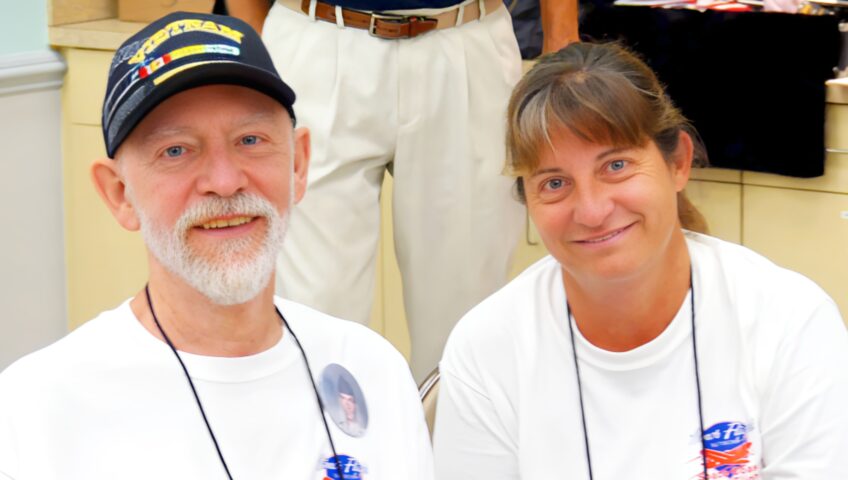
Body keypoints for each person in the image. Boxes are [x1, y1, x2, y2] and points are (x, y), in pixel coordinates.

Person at [0, 12, 432, 480]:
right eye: (176, 151)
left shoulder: (371, 369)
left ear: (298, 166)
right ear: (119, 194)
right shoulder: (39, 408)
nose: (225, 182)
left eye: (250, 140)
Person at [433, 42, 848, 479]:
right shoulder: (488, 347)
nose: (592, 211)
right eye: (554, 183)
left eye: (616, 166)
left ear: (678, 163)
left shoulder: (789, 321)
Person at [225, 0, 577, 380]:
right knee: (312, 316)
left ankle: (449, 421)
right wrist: (253, 43)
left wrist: (561, 38)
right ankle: (325, 421)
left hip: (467, 32)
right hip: (314, 31)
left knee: (463, 324)